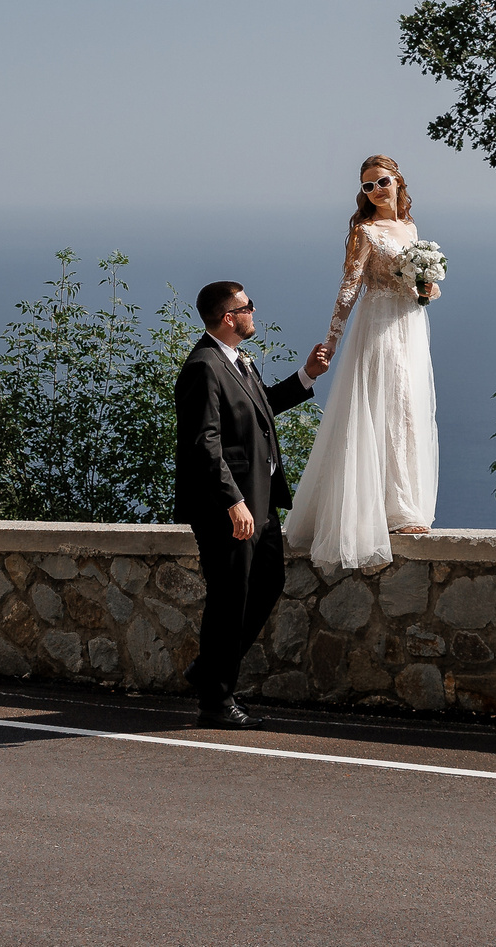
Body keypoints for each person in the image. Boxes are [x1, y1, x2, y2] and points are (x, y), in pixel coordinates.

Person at [174, 280, 330, 730]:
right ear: (229, 317)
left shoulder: (237, 362)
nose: (253, 311)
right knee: (229, 599)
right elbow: (204, 443)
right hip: (230, 508)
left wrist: (306, 376)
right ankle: (216, 702)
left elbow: (261, 409)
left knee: (266, 583)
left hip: (259, 503)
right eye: (247, 306)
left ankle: (209, 671)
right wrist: (233, 502)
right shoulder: (204, 367)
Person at [284, 153, 440, 575]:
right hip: (379, 326)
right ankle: (388, 510)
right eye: (368, 186)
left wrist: (426, 289)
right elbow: (350, 287)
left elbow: (418, 286)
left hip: (410, 325)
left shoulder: (409, 228)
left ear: (398, 182)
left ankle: (404, 505)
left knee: (408, 410)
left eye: (382, 182)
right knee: (384, 407)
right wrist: (331, 342)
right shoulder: (364, 232)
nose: (375, 191)